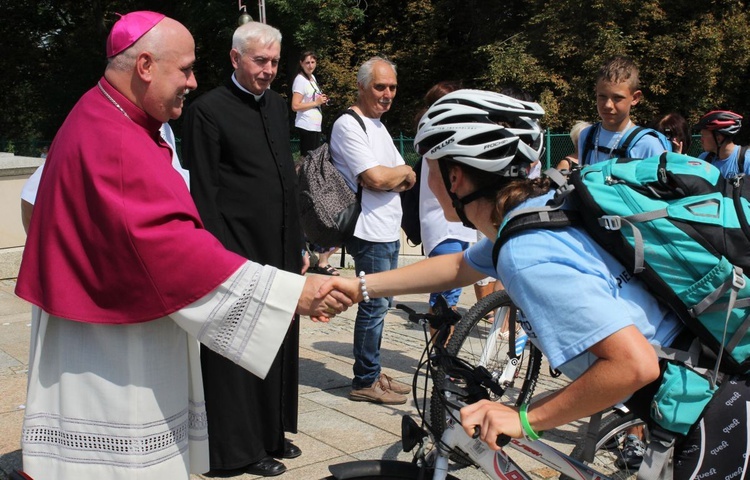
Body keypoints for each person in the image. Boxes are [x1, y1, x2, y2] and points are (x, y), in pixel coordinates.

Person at [320, 89, 750, 478]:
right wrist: (360, 288)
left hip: (716, 405)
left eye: (429, 165)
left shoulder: (525, 254)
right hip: (699, 374)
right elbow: (459, 268)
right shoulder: (537, 211)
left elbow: (633, 365)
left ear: (455, 178)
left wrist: (523, 418)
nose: (425, 179)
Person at [13, 12, 350, 480]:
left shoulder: (102, 115)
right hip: (112, 350)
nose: (193, 81)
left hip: (105, 322)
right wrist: (292, 293)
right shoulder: (115, 140)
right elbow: (167, 245)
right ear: (146, 65)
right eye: (186, 69)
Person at [181, 21, 310, 477]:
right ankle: (238, 450)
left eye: (275, 62)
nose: (269, 70)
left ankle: (272, 431)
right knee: (236, 349)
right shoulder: (207, 111)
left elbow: (285, 181)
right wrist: (218, 258)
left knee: (277, 342)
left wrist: (299, 243)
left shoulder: (276, 106)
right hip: (236, 253)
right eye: (261, 61)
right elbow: (205, 194)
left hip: (279, 248)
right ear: (236, 59)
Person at [330, 56, 417, 405]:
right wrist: (400, 174)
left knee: (381, 304)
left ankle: (373, 369)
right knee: (374, 306)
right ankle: (365, 380)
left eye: (392, 87)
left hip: (386, 228)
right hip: (367, 229)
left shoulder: (378, 126)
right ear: (362, 86)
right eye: (380, 86)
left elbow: (401, 175)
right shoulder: (349, 125)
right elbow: (377, 177)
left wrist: (399, 175)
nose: (387, 94)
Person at [20, 123, 187, 233]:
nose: (191, 82)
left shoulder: (161, 127)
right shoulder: (102, 126)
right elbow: (31, 197)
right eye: (183, 70)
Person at [416, 81, 475, 315]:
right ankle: (440, 349)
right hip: (442, 226)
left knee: (451, 295)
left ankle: (442, 348)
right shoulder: (433, 135)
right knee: (443, 296)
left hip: (460, 224)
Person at [578, 56, 669, 165]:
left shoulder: (647, 144)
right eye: (602, 96)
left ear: (635, 98)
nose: (608, 105)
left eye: (617, 98)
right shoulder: (586, 136)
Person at [291, 50, 329, 156]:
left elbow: (312, 98)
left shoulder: (312, 78)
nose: (310, 65)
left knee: (314, 160)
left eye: (313, 62)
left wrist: (322, 100)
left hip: (315, 126)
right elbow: (295, 106)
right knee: (308, 161)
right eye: (307, 63)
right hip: (306, 125)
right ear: (301, 63)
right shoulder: (300, 80)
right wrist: (316, 102)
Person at [695, 109, 750, 177]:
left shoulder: (747, 161)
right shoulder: (703, 159)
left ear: (718, 138)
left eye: (703, 135)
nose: (701, 139)